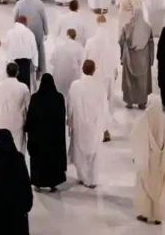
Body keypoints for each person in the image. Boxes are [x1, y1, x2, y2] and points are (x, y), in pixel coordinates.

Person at [130, 94, 165, 225]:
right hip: (160, 161)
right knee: (159, 189)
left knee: (144, 186)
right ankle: (157, 216)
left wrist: (136, 157)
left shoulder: (141, 121)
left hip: (146, 160)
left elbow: (135, 139)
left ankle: (145, 214)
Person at [24, 73, 66, 192]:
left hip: (38, 138)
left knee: (38, 161)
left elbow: (30, 116)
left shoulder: (35, 98)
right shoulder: (58, 98)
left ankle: (38, 183)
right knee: (53, 161)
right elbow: (62, 117)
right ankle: (53, 183)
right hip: (54, 138)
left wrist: (28, 129)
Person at [67, 59, 105, 188]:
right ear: (94, 70)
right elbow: (104, 107)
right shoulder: (100, 86)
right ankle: (92, 179)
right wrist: (104, 125)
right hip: (95, 123)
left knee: (80, 150)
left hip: (79, 122)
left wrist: (69, 120)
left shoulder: (75, 85)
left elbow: (70, 105)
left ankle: (83, 176)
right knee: (94, 151)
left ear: (82, 69)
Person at [0, 63, 29, 151]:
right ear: (17, 72)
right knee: (17, 147)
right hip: (17, 123)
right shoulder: (23, 87)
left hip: (1, 122)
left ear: (6, 72)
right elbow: (28, 107)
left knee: (1, 148)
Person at [120, 8, 154, 109]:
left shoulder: (126, 27)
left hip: (129, 58)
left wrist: (122, 56)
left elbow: (121, 42)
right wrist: (151, 58)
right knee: (142, 80)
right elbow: (151, 44)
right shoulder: (147, 28)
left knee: (129, 79)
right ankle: (142, 102)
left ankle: (129, 101)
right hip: (143, 59)